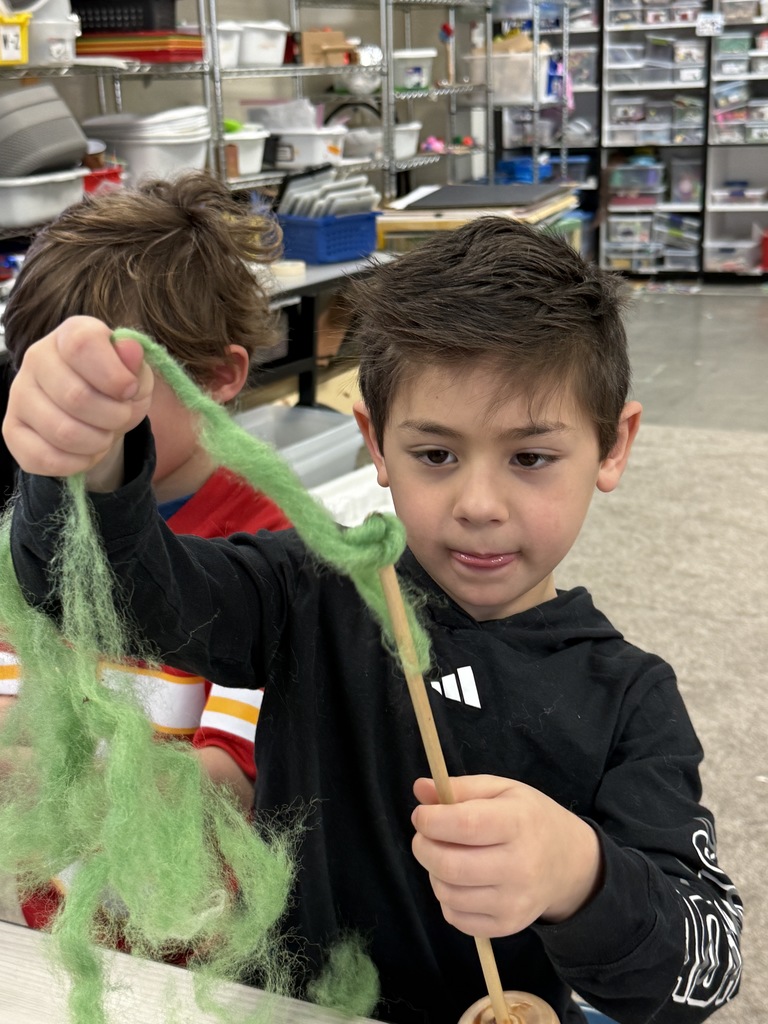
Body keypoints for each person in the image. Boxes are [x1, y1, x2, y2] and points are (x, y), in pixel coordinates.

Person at [4, 218, 742, 1024]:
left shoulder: (629, 699)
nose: (480, 507)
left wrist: (578, 875)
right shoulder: (305, 595)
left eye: (530, 457)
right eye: (435, 455)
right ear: (376, 445)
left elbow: (703, 971)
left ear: (613, 445)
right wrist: (85, 464)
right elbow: (109, 599)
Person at [0, 171, 291, 929]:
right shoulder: (29, 537)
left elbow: (232, 782)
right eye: (49, 380)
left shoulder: (268, 558)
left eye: (116, 383)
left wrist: (61, 783)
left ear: (219, 377)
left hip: (204, 939)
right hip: (61, 925)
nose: (78, 415)